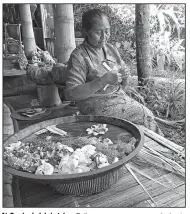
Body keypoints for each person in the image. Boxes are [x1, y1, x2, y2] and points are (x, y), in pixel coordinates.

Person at [65, 8, 163, 135]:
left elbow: (122, 86)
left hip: (116, 99)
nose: (104, 37)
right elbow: (70, 94)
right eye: (98, 32)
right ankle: (165, 149)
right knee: (144, 114)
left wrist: (125, 76)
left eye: (107, 31)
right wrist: (102, 80)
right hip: (94, 104)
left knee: (145, 115)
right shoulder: (78, 56)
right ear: (85, 31)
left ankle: (159, 147)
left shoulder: (110, 49)